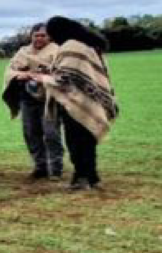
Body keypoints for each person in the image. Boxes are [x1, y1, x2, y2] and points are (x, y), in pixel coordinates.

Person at [34, 16, 119, 190]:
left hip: (75, 101)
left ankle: (81, 178)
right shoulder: (89, 44)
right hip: (91, 101)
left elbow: (64, 78)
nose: (50, 38)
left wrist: (41, 77)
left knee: (75, 141)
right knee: (88, 140)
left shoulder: (71, 46)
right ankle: (92, 177)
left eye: (50, 34)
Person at [2, 23, 63, 179]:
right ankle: (40, 166)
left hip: (49, 98)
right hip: (27, 98)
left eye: (43, 35)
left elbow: (62, 75)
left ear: (49, 37)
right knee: (31, 133)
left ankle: (55, 168)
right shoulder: (23, 52)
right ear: (31, 36)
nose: (40, 38)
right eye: (37, 35)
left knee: (51, 133)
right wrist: (20, 75)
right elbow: (10, 71)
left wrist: (42, 77)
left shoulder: (57, 52)